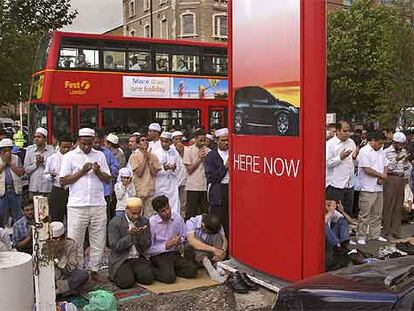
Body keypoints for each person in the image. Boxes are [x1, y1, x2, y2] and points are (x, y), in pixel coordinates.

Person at [60, 128, 111, 282]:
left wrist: (97, 172)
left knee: (98, 238)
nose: (87, 147)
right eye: (84, 144)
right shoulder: (69, 157)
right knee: (75, 240)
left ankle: (94, 269)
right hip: (77, 205)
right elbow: (63, 181)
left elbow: (107, 179)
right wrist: (81, 172)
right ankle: (78, 271)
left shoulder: (100, 155)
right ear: (78, 141)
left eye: (90, 144)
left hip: (98, 203)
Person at [147, 195, 198, 284]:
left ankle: (170, 271)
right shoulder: (152, 223)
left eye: (168, 208)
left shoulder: (177, 218)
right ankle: (153, 269)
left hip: (174, 253)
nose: (167, 212)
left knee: (192, 270)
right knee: (169, 278)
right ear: (157, 212)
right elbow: (148, 249)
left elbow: (184, 235)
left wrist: (179, 240)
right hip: (159, 255)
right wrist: (165, 246)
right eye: (163, 211)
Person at [108, 197, 154, 288]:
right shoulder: (115, 223)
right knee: (125, 283)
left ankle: (134, 273)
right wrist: (130, 236)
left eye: (138, 213)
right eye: (133, 213)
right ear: (126, 210)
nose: (136, 216)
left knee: (148, 279)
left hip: (138, 257)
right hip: (121, 259)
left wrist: (139, 235)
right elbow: (115, 246)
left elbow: (147, 245)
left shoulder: (144, 221)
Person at [356, 131, 389, 245]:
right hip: (367, 187)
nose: (380, 146)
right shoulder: (364, 151)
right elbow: (367, 169)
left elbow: (386, 165)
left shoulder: (381, 151)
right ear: (373, 140)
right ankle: (361, 235)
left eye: (382, 144)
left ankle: (375, 234)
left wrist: (383, 177)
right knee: (364, 214)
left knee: (377, 213)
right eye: (379, 143)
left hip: (379, 187)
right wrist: (381, 175)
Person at [44, 222, 89, 297]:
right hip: (48, 277)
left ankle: (56, 293)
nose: (57, 241)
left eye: (60, 238)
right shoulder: (43, 245)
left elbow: (72, 267)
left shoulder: (70, 244)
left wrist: (60, 256)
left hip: (63, 276)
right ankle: (66, 292)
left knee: (83, 275)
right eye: (54, 239)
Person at [383, 132, 411, 240]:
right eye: (399, 144)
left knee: (398, 205)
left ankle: (396, 230)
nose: (401, 147)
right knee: (389, 204)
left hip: (401, 178)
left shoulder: (403, 151)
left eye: (403, 145)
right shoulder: (386, 152)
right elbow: (387, 167)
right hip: (391, 178)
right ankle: (386, 230)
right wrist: (397, 160)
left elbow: (406, 167)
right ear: (394, 143)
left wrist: (406, 161)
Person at [325, 121, 357, 216]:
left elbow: (353, 161)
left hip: (349, 184)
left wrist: (355, 158)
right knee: (334, 215)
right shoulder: (330, 144)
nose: (347, 133)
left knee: (347, 213)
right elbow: (326, 163)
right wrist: (340, 157)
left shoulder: (351, 142)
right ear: (337, 131)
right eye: (345, 131)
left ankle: (346, 231)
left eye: (348, 131)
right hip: (335, 185)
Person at [185, 213, 227, 283]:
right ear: (203, 226)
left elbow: (224, 240)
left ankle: (217, 264)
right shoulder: (191, 222)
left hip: (211, 253)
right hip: (195, 254)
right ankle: (211, 271)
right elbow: (192, 241)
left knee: (217, 236)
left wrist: (222, 252)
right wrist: (214, 249)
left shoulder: (216, 224)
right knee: (196, 240)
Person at [205, 128, 229, 237]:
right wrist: (225, 167)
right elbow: (211, 177)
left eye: (228, 140)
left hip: (233, 191)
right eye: (223, 140)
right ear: (217, 140)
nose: (226, 143)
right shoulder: (211, 156)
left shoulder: (235, 153)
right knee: (217, 222)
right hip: (218, 192)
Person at [43, 136, 72, 222]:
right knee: (56, 218)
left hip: (71, 190)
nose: (66, 149)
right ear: (59, 146)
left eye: (68, 147)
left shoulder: (74, 158)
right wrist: (51, 175)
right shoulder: (52, 159)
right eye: (64, 147)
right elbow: (45, 176)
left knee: (71, 217)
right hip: (57, 190)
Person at [129, 134, 159, 217]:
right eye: (142, 140)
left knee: (150, 216)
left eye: (146, 140)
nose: (145, 142)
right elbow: (139, 173)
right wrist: (145, 158)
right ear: (138, 144)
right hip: (139, 190)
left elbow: (154, 173)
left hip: (150, 190)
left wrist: (149, 158)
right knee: (137, 215)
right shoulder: (134, 156)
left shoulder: (153, 156)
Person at [183, 128, 210, 218]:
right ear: (195, 139)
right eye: (201, 140)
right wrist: (199, 159)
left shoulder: (209, 151)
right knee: (191, 213)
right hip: (193, 186)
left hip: (205, 186)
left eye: (204, 140)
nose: (203, 143)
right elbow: (189, 170)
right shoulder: (188, 150)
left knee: (205, 213)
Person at [93, 131, 119, 221]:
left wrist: (107, 170)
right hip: (91, 192)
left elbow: (115, 167)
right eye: (94, 142)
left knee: (105, 217)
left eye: (98, 142)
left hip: (105, 190)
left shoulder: (107, 153)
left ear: (102, 141)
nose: (96, 145)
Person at [153, 132, 181, 215]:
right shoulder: (156, 153)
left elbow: (179, 166)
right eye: (162, 141)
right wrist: (163, 168)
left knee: (174, 204)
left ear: (170, 142)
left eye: (166, 141)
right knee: (160, 204)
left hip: (172, 183)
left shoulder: (175, 152)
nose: (164, 143)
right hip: (160, 182)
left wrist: (174, 168)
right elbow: (153, 169)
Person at [24, 127, 55, 197]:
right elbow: (26, 170)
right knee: (33, 207)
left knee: (48, 207)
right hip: (34, 188)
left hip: (47, 188)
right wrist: (36, 164)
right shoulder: (30, 151)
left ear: (45, 139)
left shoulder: (52, 151)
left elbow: (54, 169)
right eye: (35, 137)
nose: (36, 139)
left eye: (39, 137)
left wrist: (43, 163)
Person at [0, 138, 24, 227]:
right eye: (4, 150)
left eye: (9, 150)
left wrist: (10, 163)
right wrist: (4, 163)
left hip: (15, 191)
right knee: (2, 216)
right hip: (2, 192)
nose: (7, 152)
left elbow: (21, 172)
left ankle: (18, 235)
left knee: (17, 215)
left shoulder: (16, 158)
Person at [325, 199, 350, 271]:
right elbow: (321, 223)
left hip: (330, 236)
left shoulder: (332, 211)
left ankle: (344, 245)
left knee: (342, 220)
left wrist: (342, 212)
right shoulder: (317, 210)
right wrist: (330, 212)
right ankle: (337, 246)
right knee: (324, 225)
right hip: (321, 236)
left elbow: (351, 221)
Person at [172, 131, 187, 218]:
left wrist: (181, 152)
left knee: (183, 202)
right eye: (176, 139)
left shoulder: (186, 149)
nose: (178, 141)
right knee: (174, 201)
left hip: (184, 180)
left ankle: (182, 218)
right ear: (172, 140)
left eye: (180, 139)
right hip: (173, 181)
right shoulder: (170, 150)